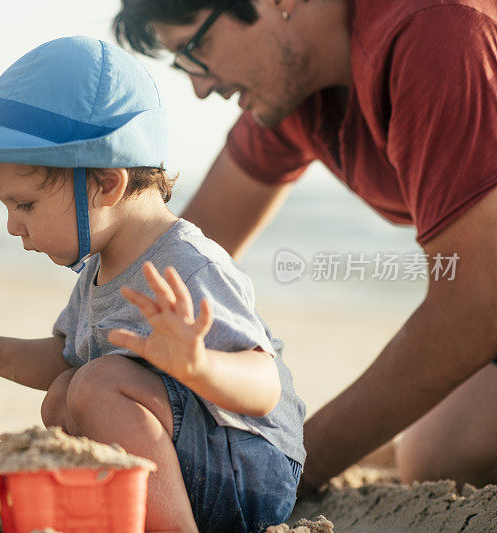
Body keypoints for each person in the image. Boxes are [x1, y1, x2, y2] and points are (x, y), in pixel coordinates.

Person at [0, 36, 305, 532]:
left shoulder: (184, 264)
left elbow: (263, 386)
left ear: (107, 184)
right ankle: (127, 515)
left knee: (96, 385)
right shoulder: (99, 268)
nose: (13, 226)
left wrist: (200, 365)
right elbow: (64, 357)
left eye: (24, 205)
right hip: (189, 465)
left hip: (250, 470)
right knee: (63, 391)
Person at [112, 0, 497, 492]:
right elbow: (176, 259)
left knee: (441, 451)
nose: (201, 86)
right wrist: (91, 377)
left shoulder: (433, 30)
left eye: (196, 47)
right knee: (436, 453)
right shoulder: (297, 90)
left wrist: (290, 466)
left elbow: (474, 305)